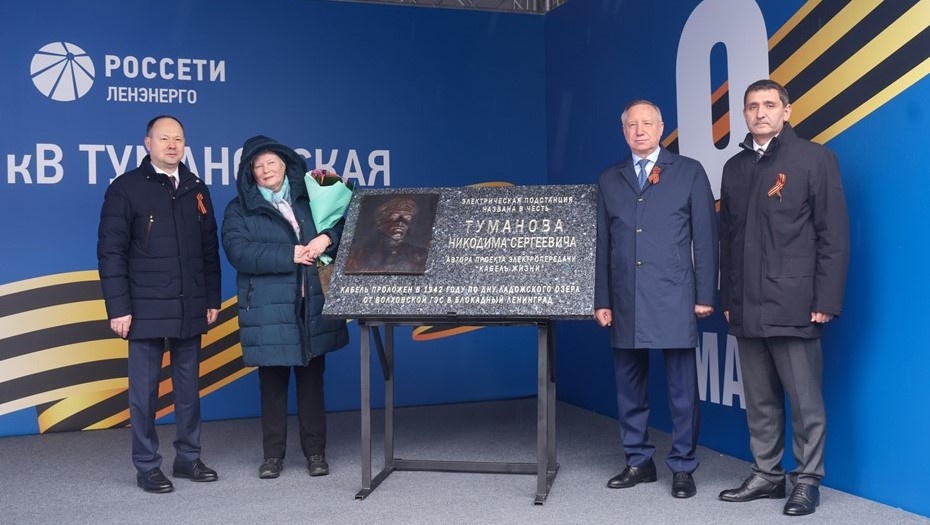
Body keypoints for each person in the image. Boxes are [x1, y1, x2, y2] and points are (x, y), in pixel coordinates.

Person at [717, 79, 849, 516]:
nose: (760, 113)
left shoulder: (814, 159)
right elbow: (728, 241)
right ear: (744, 114)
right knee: (760, 399)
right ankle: (768, 476)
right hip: (746, 305)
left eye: (769, 105)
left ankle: (807, 479)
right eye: (752, 106)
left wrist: (825, 301)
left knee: (805, 400)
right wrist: (728, 297)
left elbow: (833, 236)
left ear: (786, 111)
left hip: (795, 303)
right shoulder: (734, 168)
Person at [594, 100, 718, 499]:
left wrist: (704, 294)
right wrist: (602, 299)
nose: (640, 130)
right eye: (632, 124)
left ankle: (683, 466)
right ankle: (638, 461)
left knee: (682, 388)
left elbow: (706, 237)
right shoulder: (610, 178)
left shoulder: (689, 172)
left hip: (676, 295)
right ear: (623, 131)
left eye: (648, 123)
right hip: (626, 298)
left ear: (662, 127)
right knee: (629, 386)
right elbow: (603, 245)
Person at [97, 115, 221, 493]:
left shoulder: (196, 187)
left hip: (189, 305)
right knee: (144, 393)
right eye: (164, 138)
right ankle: (147, 464)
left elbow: (208, 251)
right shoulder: (125, 188)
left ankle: (188, 457)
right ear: (147, 143)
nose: (172, 145)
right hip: (144, 307)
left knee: (188, 390)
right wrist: (119, 308)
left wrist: (211, 298)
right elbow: (110, 253)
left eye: (178, 139)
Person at [221, 135, 349, 479]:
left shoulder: (312, 198)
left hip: (311, 306)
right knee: (273, 385)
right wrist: (290, 254)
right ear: (250, 172)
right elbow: (239, 252)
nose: (266, 170)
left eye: (272, 163)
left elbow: (344, 222)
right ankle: (272, 456)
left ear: (285, 165)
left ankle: (316, 453)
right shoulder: (239, 209)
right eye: (258, 166)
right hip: (268, 310)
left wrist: (327, 238)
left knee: (312, 384)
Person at [344, 195, 429, 274]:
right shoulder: (357, 253)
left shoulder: (421, 255)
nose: (401, 222)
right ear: (380, 221)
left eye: (407, 218)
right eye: (395, 216)